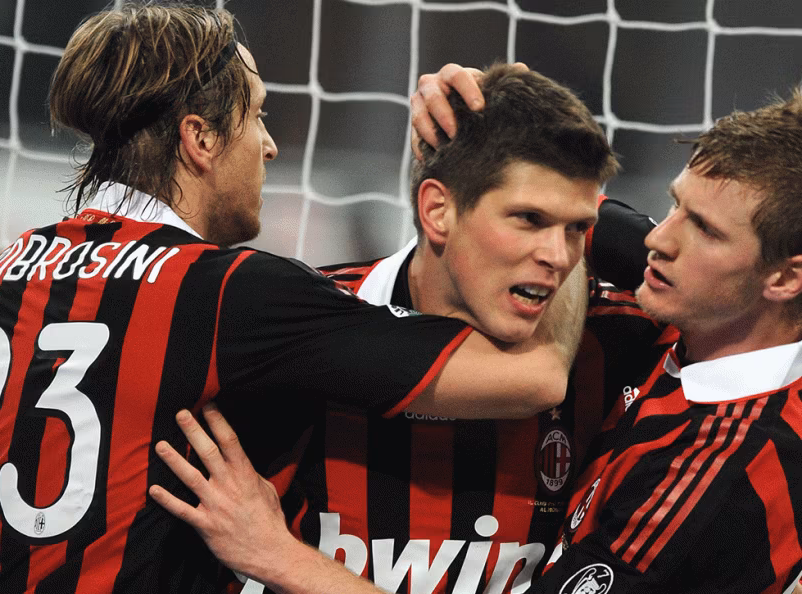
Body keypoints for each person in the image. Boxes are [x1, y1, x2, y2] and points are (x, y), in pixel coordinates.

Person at [0, 7, 593, 592]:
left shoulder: (8, 273)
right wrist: (553, 186)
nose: (268, 146)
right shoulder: (229, 291)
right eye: (257, 115)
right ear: (200, 139)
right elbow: (534, 377)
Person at [150, 66, 802, 594]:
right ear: (436, 209)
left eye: (705, 230)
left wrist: (277, 554)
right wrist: (503, 123)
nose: (659, 240)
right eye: (675, 207)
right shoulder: (748, 316)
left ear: (786, 277)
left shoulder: (708, 476)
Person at [251, 63, 628, 594]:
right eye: (529, 219)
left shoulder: (618, 341)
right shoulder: (294, 328)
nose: (559, 256)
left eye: (578, 229)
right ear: (437, 210)